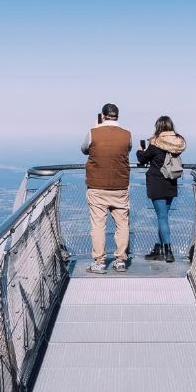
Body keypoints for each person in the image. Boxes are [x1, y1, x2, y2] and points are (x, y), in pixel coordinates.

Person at [80, 102, 132, 273]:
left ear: (102, 116)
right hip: (120, 186)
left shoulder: (93, 132)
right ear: (117, 116)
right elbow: (128, 149)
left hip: (97, 186)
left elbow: (84, 150)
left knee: (98, 225)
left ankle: (99, 261)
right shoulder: (127, 135)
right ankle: (120, 260)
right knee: (122, 224)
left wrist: (96, 129)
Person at [135, 116, 187, 262]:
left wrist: (140, 150)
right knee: (163, 218)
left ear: (158, 127)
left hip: (157, 182)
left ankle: (168, 252)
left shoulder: (155, 143)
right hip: (171, 182)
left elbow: (142, 159)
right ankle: (159, 249)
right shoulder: (176, 144)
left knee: (162, 218)